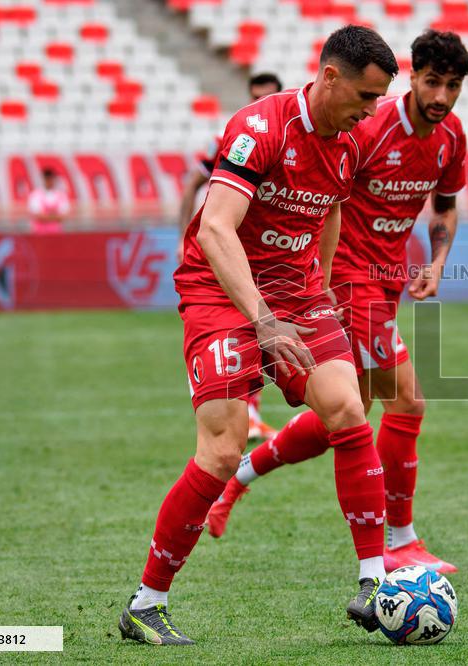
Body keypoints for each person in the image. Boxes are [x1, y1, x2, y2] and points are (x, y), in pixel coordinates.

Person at [118, 26, 398, 645]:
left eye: (379, 100)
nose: (371, 110)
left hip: (296, 292)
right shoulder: (259, 129)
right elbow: (216, 230)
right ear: (329, 77)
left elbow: (329, 211)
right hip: (219, 289)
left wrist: (319, 291)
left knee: (348, 411)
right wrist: (265, 323)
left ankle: (376, 585)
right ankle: (145, 604)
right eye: (365, 95)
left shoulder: (350, 143)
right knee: (220, 449)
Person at [206, 30, 468, 575]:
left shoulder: (450, 137)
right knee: (408, 401)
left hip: (387, 282)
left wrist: (437, 263)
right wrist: (323, 285)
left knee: (348, 417)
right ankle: (399, 541)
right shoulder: (368, 128)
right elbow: (330, 203)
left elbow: (444, 206)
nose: (441, 96)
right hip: (350, 283)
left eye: (453, 86)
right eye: (432, 82)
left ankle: (239, 479)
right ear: (413, 78)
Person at [177, 73, 285, 442]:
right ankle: (234, 411)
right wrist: (183, 237)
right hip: (224, 248)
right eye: (253, 95)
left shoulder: (289, 138)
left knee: (262, 330)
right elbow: (193, 183)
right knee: (241, 326)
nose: (258, 101)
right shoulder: (233, 137)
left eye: (265, 96)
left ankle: (250, 413)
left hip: (267, 254)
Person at [27, 168, 70, 234]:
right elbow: (37, 215)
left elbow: (64, 216)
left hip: (57, 234)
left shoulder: (61, 195)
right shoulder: (35, 195)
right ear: (44, 179)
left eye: (51, 178)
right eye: (47, 178)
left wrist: (45, 216)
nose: (49, 181)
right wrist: (54, 216)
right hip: (39, 234)